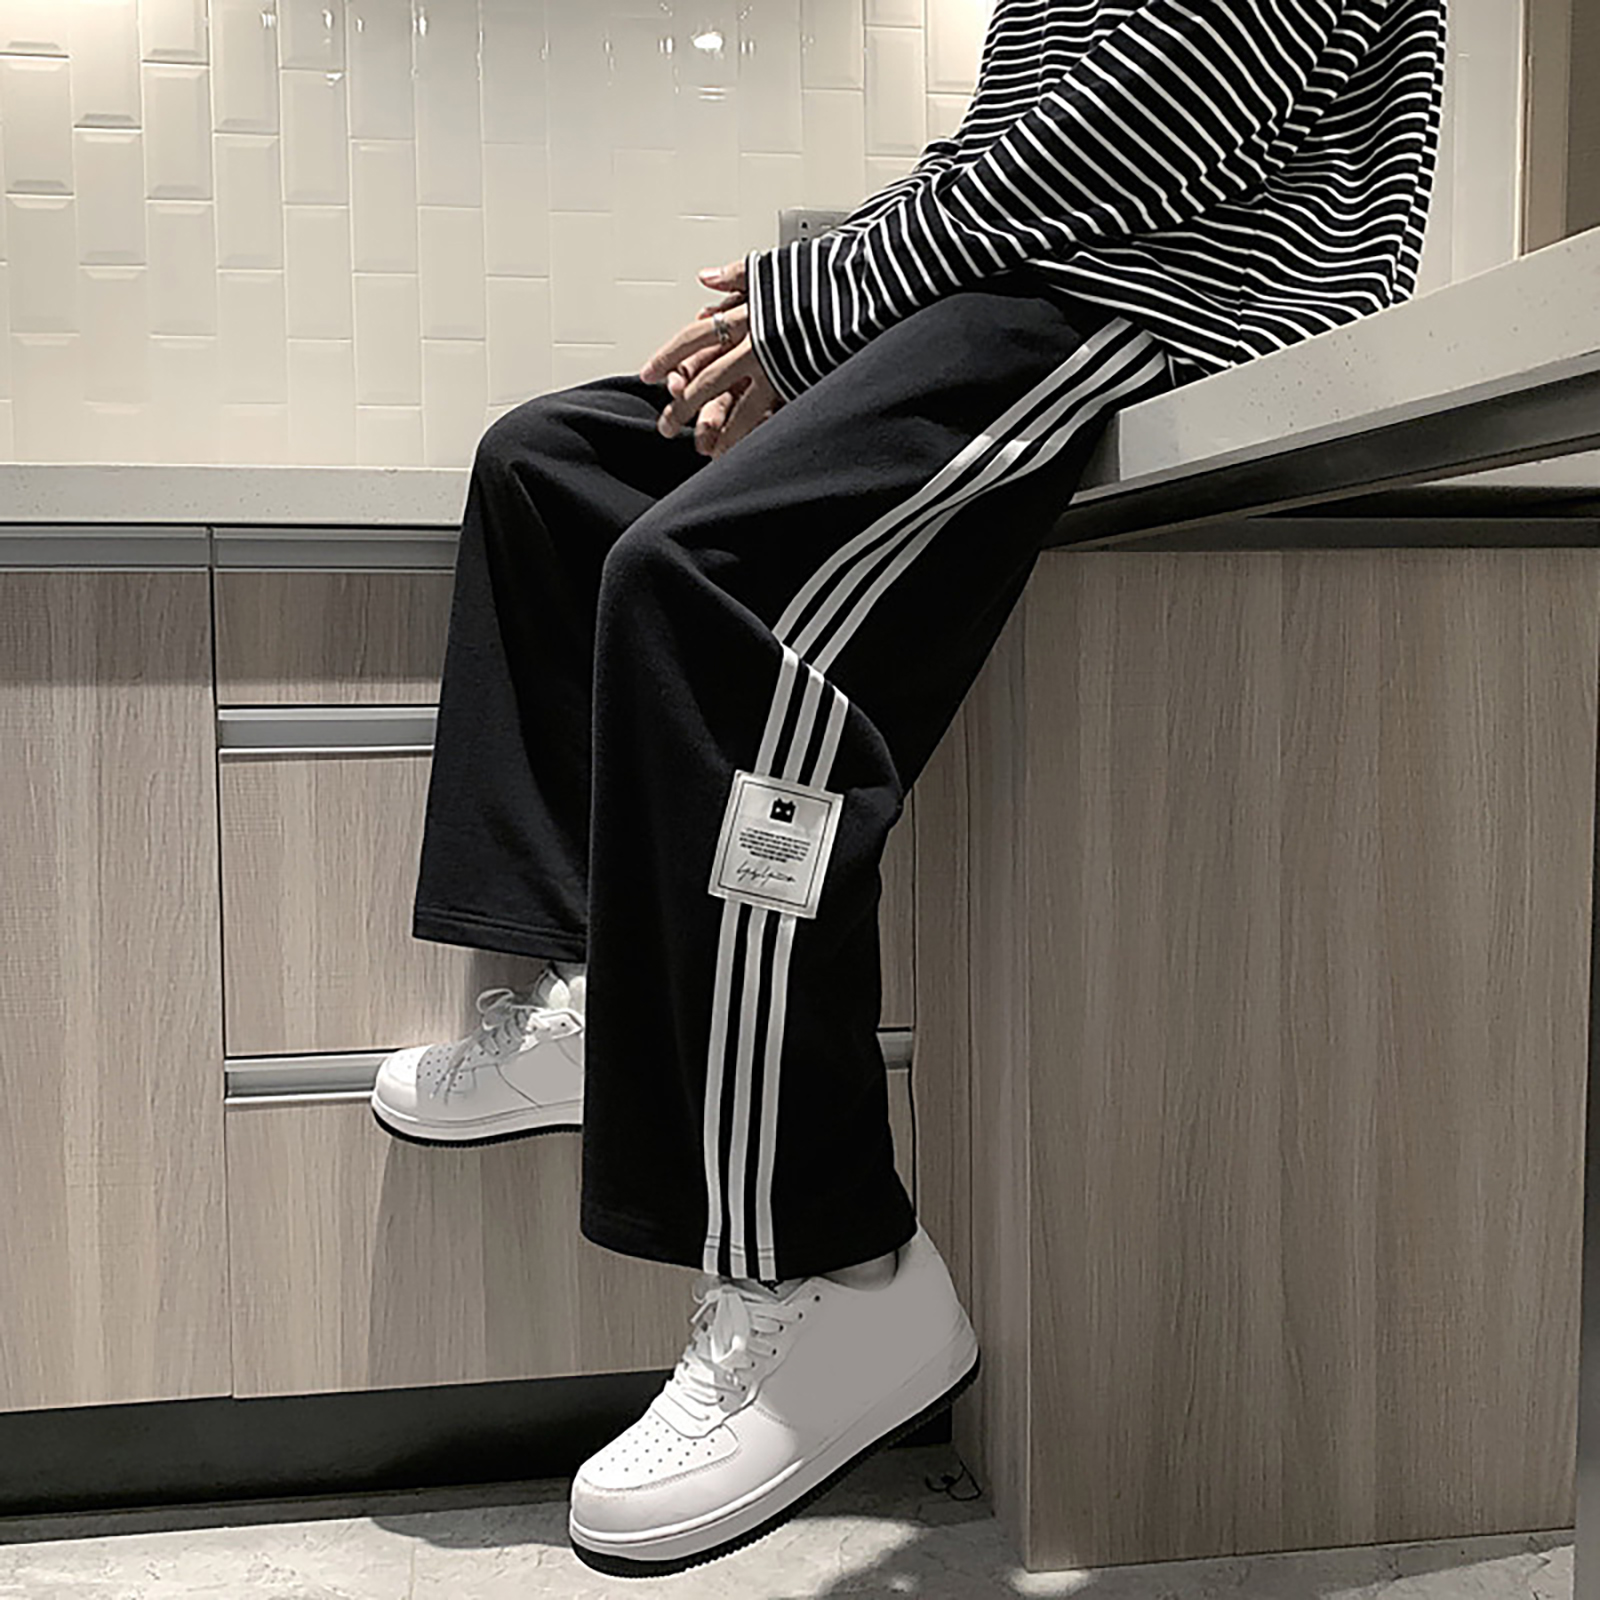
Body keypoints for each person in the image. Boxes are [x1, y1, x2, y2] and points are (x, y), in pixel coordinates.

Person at [370, 0, 1448, 1578]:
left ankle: (837, 1270)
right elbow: (1017, 132)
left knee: (710, 592)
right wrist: (839, 319)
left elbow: (1162, 110)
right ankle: (615, 998)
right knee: (551, 468)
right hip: (1030, 281)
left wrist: (823, 302)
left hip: (1159, 293)